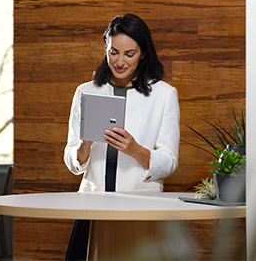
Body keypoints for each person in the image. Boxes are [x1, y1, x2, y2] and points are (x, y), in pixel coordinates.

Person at [60, 13, 179, 260]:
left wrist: (136, 149)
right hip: (92, 204)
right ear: (106, 48)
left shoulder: (164, 95)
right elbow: (73, 160)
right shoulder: (86, 91)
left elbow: (170, 162)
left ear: (143, 53)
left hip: (141, 206)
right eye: (113, 52)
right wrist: (84, 144)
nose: (120, 61)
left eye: (129, 54)